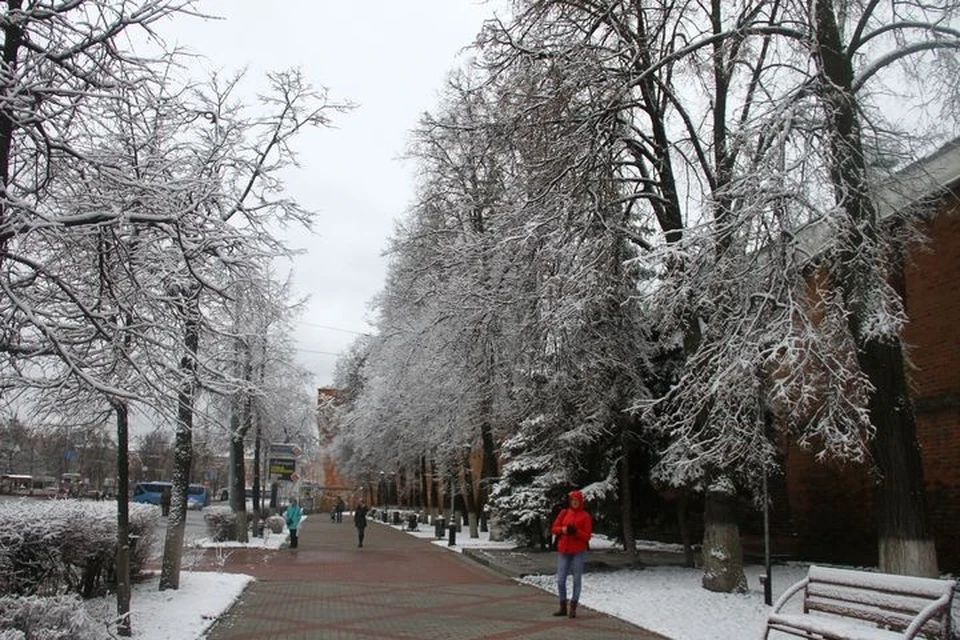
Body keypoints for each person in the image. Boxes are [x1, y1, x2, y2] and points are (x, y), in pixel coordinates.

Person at [550, 489, 593, 619]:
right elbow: (554, 528)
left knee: (576, 579)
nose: (574, 503)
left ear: (580, 502)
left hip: (578, 551)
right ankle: (563, 606)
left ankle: (573, 606)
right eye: (572, 501)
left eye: (577, 501)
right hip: (564, 550)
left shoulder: (585, 516)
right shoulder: (564, 513)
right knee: (561, 580)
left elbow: (587, 536)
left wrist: (576, 532)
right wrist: (563, 530)